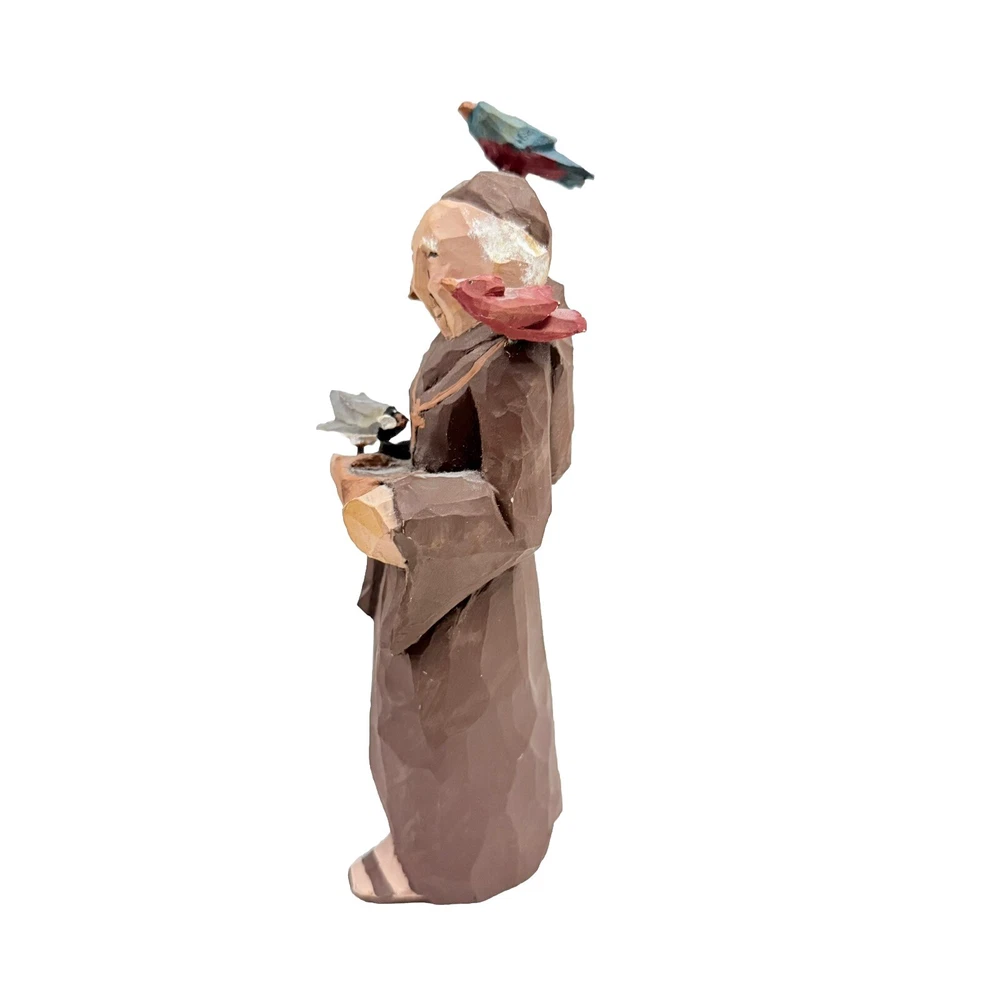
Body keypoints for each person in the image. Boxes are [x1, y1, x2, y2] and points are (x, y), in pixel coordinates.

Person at [332, 171, 575, 903]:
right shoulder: (468, 344)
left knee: (450, 725)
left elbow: (517, 507)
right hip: (437, 580)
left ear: (501, 262)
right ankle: (439, 840)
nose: (416, 288)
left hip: (469, 591)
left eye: (431, 257)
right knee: (420, 721)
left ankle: (450, 859)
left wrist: (392, 507)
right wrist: (393, 463)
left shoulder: (517, 357)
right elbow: (455, 454)